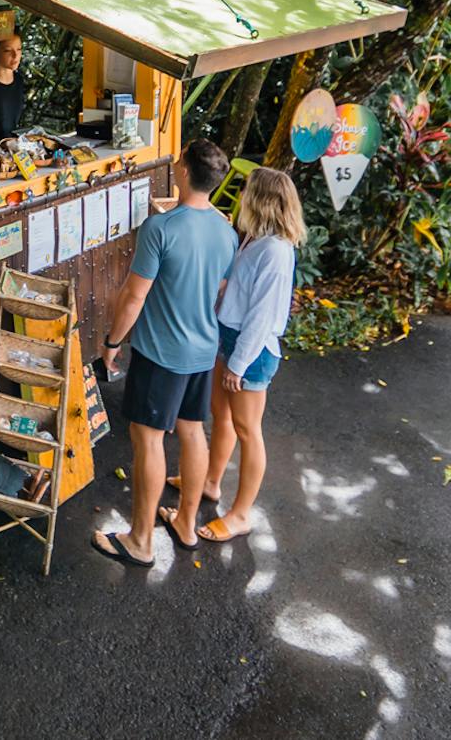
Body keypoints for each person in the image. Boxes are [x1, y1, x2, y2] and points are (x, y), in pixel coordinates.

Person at [91, 138, 237, 564]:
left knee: (148, 440)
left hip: (161, 353)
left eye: (179, 159)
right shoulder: (226, 231)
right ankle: (186, 525)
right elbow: (221, 287)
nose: (174, 163)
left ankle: (140, 540)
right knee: (193, 431)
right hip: (202, 348)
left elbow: (134, 297)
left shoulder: (161, 229)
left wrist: (112, 343)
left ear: (186, 172)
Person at [192, 165, 305, 543]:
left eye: (245, 191)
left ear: (260, 200)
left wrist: (238, 364)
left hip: (251, 350)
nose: (240, 195)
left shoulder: (275, 251)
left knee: (248, 431)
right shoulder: (256, 238)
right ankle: (210, 482)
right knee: (220, 416)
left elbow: (261, 315)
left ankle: (241, 514)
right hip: (231, 337)